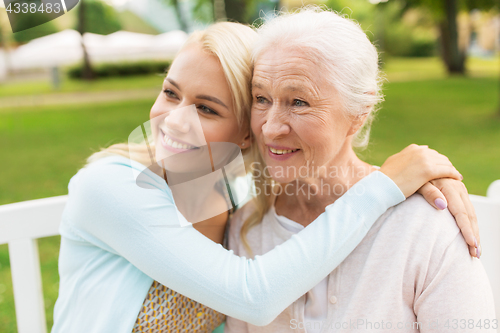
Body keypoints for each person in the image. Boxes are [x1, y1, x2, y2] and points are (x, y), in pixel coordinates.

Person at [51, 22, 479, 333]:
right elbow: (252, 295)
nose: (173, 121)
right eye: (170, 92)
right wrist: (383, 187)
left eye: (207, 108)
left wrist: (425, 177)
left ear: (242, 132)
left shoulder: (233, 198)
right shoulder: (112, 188)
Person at [225, 8, 495, 333]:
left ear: (359, 113)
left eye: (298, 102)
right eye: (261, 98)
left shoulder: (425, 226)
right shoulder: (246, 228)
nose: (270, 128)